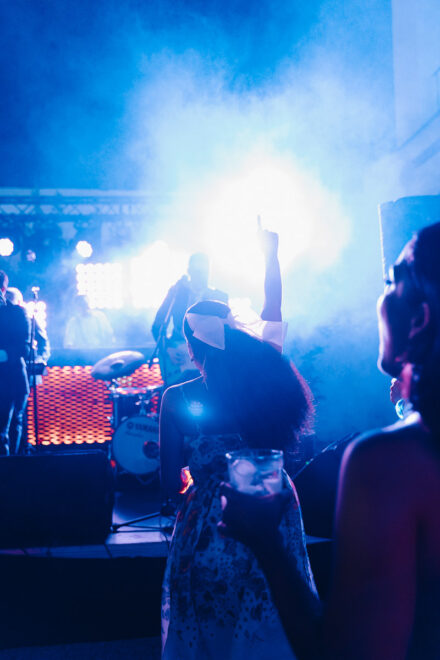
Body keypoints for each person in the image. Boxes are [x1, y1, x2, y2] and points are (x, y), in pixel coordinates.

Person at [220, 221, 440, 659]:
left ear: (419, 318)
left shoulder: (389, 463)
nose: (380, 300)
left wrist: (265, 540)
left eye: (390, 283)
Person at [160, 229, 317, 658]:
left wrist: (187, 503)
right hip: (270, 503)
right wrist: (271, 256)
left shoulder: (177, 398)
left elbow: (167, 482)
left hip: (214, 516)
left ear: (190, 343)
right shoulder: (264, 368)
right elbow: (273, 307)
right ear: (229, 329)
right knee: (271, 610)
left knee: (208, 624)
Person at [151, 252, 228, 385]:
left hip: (206, 359)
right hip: (179, 360)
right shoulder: (177, 293)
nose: (200, 275)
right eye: (196, 271)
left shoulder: (219, 297)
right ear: (189, 271)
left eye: (204, 271)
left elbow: (225, 331)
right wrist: (168, 349)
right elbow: (157, 326)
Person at [6, 286, 50, 453]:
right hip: (12, 371)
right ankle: (18, 448)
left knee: (23, 413)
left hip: (28, 370)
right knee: (15, 414)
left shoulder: (29, 318)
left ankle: (24, 447)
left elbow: (44, 342)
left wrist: (41, 360)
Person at [0, 271, 30, 456]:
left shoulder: (16, 312)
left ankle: (9, 474)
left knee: (7, 427)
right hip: (11, 379)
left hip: (11, 379)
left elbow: (23, 348)